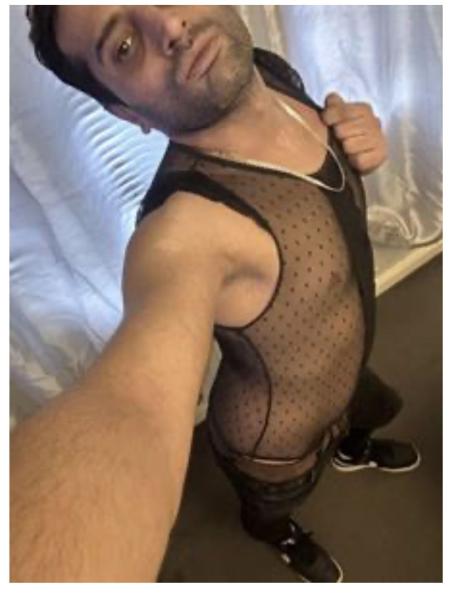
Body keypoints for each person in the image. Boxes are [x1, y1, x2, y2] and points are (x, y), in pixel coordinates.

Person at [11, 5, 420, 583]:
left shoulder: (269, 72)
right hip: (273, 436)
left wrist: (359, 138)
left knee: (378, 412)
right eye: (123, 46)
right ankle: (276, 533)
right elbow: (130, 406)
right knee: (273, 506)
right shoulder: (182, 232)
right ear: (127, 112)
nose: (168, 27)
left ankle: (353, 448)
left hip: (351, 372)